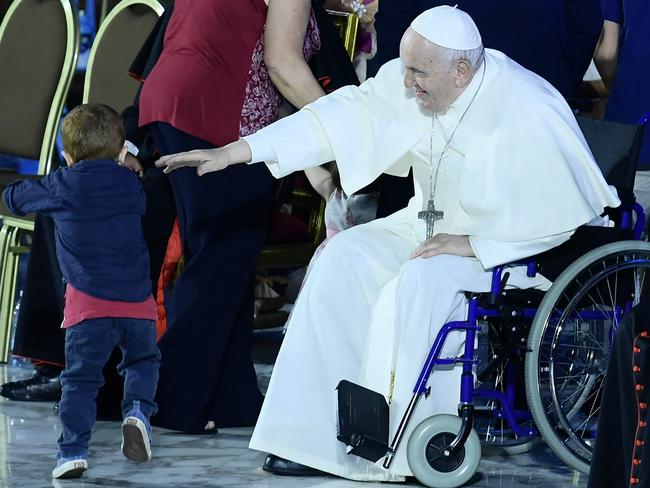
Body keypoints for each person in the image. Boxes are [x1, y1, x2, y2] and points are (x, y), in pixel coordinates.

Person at [158, 6, 620, 481]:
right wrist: (236, 153)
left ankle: (408, 443)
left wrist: (477, 242)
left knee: (423, 277)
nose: (407, 84)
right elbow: (333, 119)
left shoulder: (526, 105)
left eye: (419, 73)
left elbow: (561, 213)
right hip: (425, 227)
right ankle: (312, 438)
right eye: (406, 69)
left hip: (512, 247)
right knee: (342, 256)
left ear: (461, 71)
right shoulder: (419, 80)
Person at [137, 0, 326, 433]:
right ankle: (172, 399)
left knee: (228, 257)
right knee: (221, 258)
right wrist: (345, 122)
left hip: (175, 100)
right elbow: (281, 64)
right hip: (214, 113)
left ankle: (232, 398)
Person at [2, 104, 160, 479]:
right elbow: (139, 203)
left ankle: (72, 452)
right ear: (121, 149)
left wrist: (42, 183)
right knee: (142, 362)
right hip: (138, 301)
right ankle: (137, 410)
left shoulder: (63, 184)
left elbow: (15, 198)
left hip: (89, 305)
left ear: (68, 155)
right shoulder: (130, 184)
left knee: (80, 380)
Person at [368, 0, 603, 219]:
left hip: (441, 103)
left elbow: (394, 27)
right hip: (526, 90)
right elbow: (585, 24)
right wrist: (556, 84)